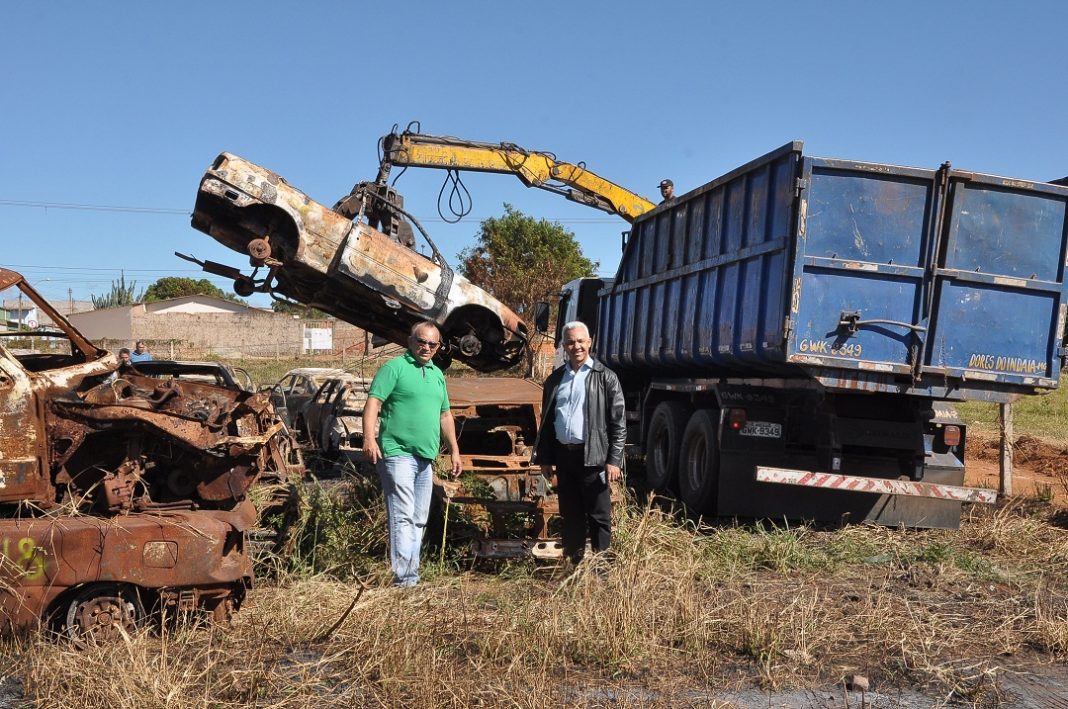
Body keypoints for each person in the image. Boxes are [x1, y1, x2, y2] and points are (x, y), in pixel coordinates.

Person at [363, 321, 462, 587]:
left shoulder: (437, 374)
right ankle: (406, 579)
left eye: (432, 344)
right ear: (410, 341)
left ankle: (409, 575)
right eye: (422, 341)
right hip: (397, 453)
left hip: (425, 457)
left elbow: (445, 415)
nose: (426, 347)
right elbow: (373, 402)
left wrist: (454, 450)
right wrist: (369, 438)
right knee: (403, 515)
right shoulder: (394, 368)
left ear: (438, 346)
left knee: (419, 518)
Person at [533, 321, 626, 566]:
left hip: (594, 456)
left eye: (581, 341)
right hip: (565, 457)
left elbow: (618, 423)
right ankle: (573, 568)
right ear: (564, 345)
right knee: (571, 515)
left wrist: (613, 460)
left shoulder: (605, 378)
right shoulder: (555, 380)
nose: (577, 346)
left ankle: (601, 569)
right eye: (571, 342)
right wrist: (545, 457)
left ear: (590, 342)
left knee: (599, 516)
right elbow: (548, 421)